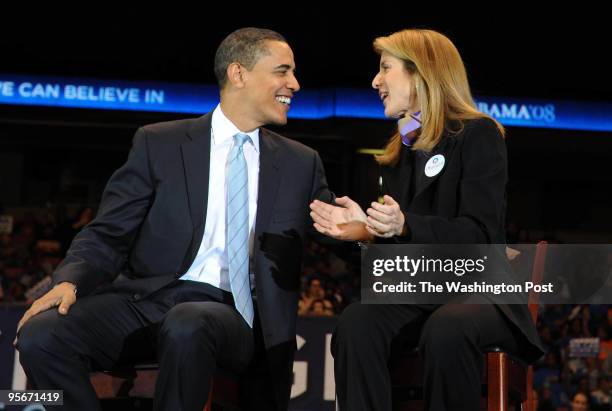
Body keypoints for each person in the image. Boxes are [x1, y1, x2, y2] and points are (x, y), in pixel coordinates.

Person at [15, 27, 331, 411]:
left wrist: (369, 231)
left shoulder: (300, 162)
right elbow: (109, 232)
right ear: (239, 74)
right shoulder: (159, 142)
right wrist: (69, 281)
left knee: (189, 322)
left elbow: (335, 229)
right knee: (41, 335)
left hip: (235, 315)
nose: (294, 84)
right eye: (283, 71)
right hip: (150, 300)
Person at [309, 28, 545, 411]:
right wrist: (365, 234)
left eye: (386, 68)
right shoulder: (399, 151)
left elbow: (480, 235)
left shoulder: (478, 135)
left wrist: (403, 225)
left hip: (481, 299)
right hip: (421, 296)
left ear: (422, 73)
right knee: (357, 322)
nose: (375, 81)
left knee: (448, 327)